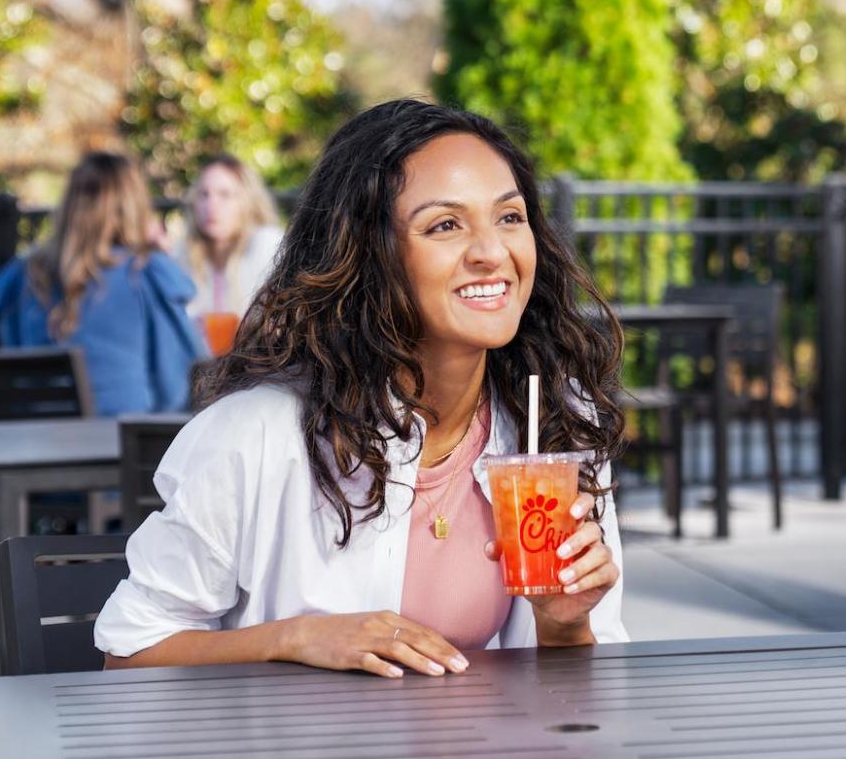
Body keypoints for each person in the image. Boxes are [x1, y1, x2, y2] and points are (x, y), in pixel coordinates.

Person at [94, 100, 629, 679]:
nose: (490, 252)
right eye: (445, 225)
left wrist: (565, 624)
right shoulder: (256, 434)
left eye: (509, 217)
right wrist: (297, 638)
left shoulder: (554, 417)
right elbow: (128, 653)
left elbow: (580, 694)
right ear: (369, 254)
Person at [0, 152, 207, 415]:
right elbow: (179, 382)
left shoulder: (23, 275)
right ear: (133, 205)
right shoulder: (145, 273)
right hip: (124, 446)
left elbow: (13, 363)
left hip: (36, 442)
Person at [178, 154, 284, 318]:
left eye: (225, 194)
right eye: (204, 194)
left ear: (248, 202)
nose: (211, 205)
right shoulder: (183, 254)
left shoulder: (267, 245)